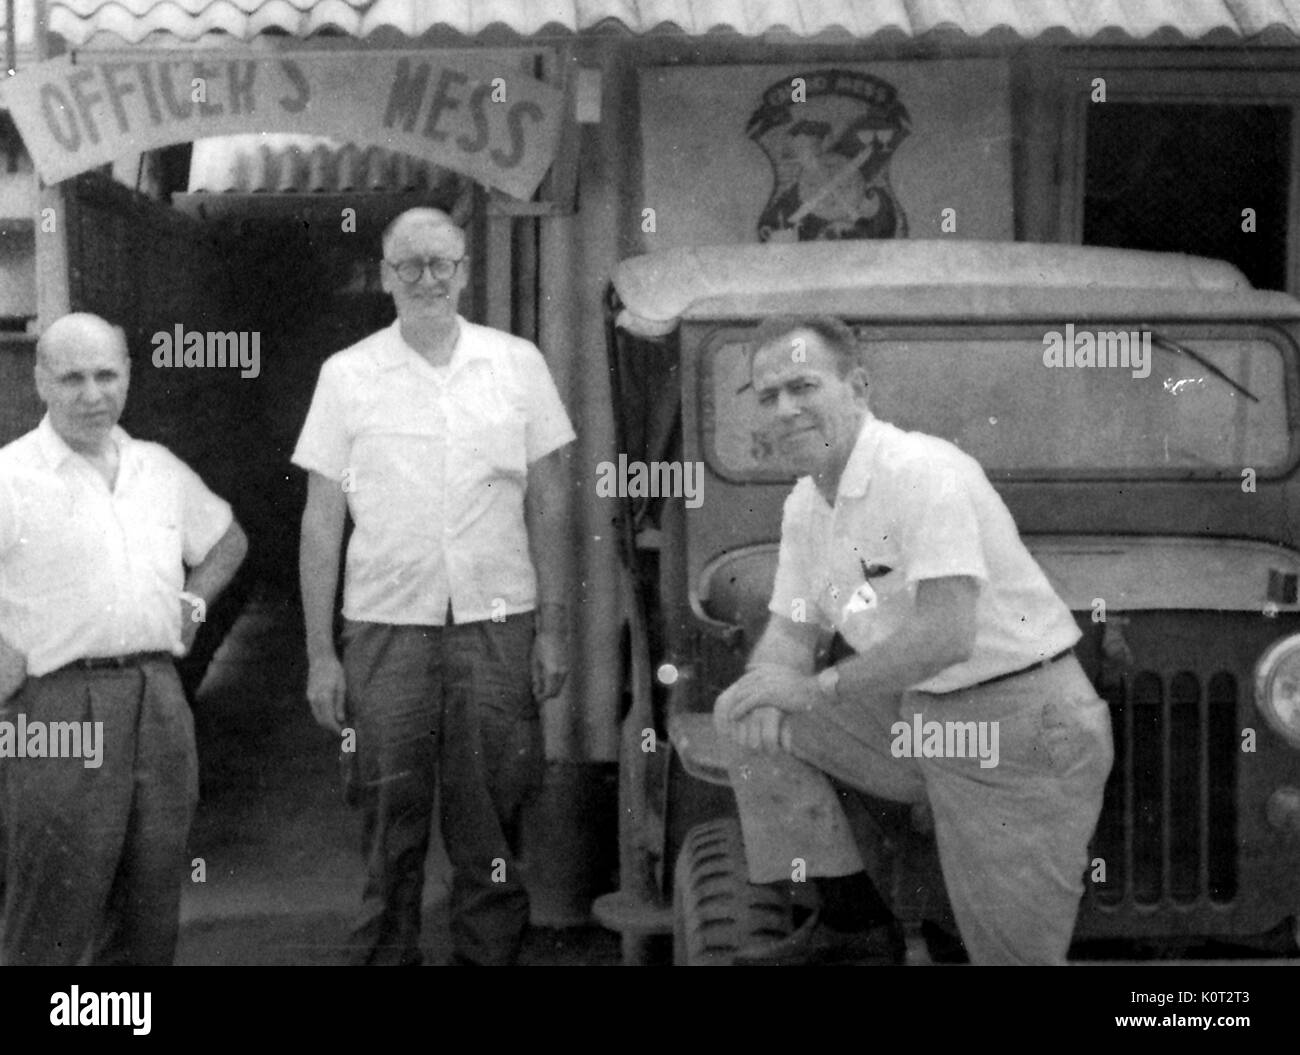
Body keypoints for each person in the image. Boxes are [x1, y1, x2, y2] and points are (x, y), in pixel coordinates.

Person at [713, 315, 1114, 966]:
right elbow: (789, 630)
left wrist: (814, 688)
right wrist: (768, 686)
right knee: (744, 713)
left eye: (803, 386)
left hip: (1018, 727)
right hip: (920, 714)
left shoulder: (922, 471)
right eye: (768, 395)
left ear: (859, 385)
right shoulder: (807, 505)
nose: (785, 409)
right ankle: (852, 926)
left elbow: (946, 634)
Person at [294, 207, 574, 966]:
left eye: (441, 264)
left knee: (491, 821)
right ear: (386, 277)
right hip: (386, 628)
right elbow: (322, 522)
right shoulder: (347, 375)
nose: (427, 280)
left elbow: (549, 501)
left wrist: (550, 627)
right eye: (409, 266)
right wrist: (321, 654)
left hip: (497, 622)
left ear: (463, 270)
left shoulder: (517, 365)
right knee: (390, 818)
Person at [0, 312, 247, 965]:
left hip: (158, 698)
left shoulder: (156, 467)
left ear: (128, 377)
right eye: (72, 377)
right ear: (40, 382)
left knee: (150, 901)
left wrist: (192, 601)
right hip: (55, 706)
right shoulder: (11, 475)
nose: (92, 393)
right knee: (54, 900)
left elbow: (227, 540)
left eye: (106, 374)